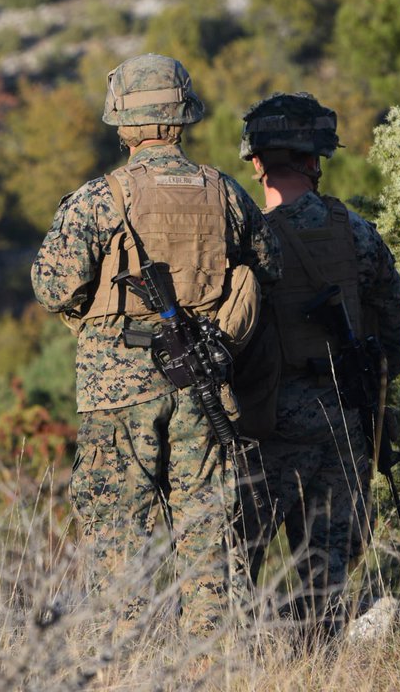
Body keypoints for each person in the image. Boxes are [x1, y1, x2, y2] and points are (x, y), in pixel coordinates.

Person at [31, 53, 281, 632]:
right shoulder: (224, 192)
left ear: (122, 120)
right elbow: (271, 267)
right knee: (208, 529)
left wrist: (92, 315)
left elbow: (52, 286)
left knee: (120, 529)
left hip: (116, 385)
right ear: (182, 115)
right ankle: (215, 659)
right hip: (204, 381)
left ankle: (126, 657)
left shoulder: (100, 199)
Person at [234, 92, 400, 636]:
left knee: (239, 557)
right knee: (328, 561)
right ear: (316, 160)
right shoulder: (355, 230)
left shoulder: (244, 239)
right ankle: (320, 664)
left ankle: (240, 666)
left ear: (258, 161)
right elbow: (395, 325)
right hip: (343, 417)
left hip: (268, 423)